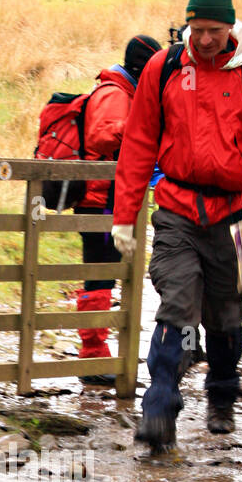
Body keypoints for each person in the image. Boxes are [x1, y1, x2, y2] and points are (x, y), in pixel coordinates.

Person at [111, 0, 242, 448]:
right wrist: (124, 214)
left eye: (214, 29)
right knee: (177, 306)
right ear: (187, 24)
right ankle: (159, 411)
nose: (205, 38)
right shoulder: (164, 66)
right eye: (197, 28)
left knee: (228, 316)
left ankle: (222, 395)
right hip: (177, 209)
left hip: (238, 215)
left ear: (231, 26)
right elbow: (138, 142)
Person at [75, 35, 161, 381]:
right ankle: (93, 356)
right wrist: (139, 126)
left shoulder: (121, 91)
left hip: (105, 199)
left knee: (104, 273)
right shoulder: (114, 93)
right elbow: (100, 137)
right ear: (142, 67)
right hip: (97, 200)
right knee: (99, 273)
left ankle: (95, 353)